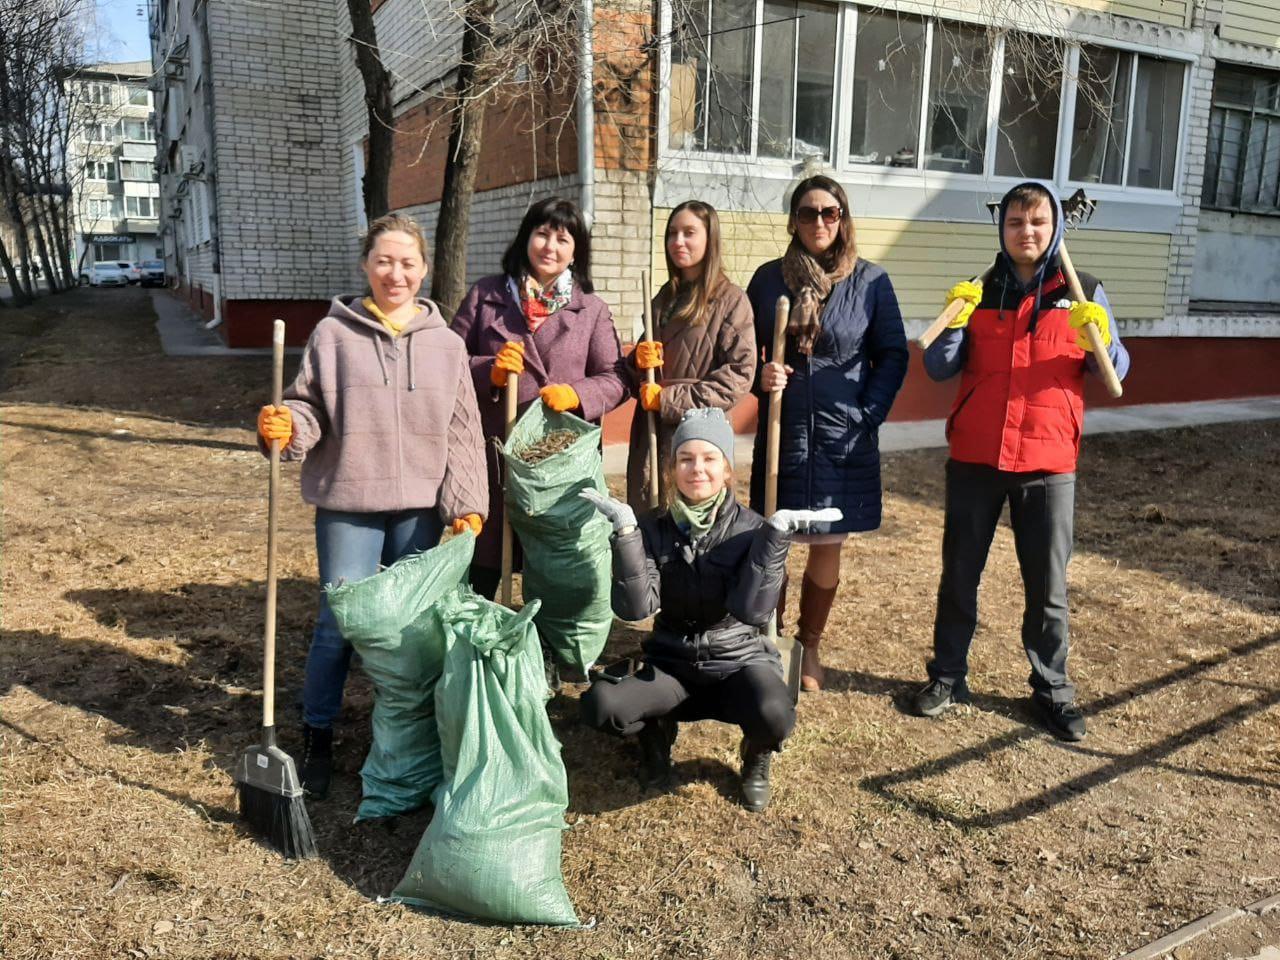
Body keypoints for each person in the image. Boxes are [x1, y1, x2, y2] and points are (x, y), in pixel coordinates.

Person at [255, 212, 487, 799]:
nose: (395, 273)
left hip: (419, 511)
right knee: (338, 625)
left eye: (408, 262)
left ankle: (403, 739)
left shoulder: (448, 345)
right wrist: (286, 426)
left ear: (425, 269)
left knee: (407, 630)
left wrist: (467, 504)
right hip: (350, 502)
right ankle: (317, 735)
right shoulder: (333, 338)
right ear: (365, 265)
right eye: (384, 260)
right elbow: (307, 408)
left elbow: (462, 430)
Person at [911, 180, 1131, 742]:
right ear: (1002, 228)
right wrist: (954, 323)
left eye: (1036, 222)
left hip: (1047, 460)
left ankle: (1052, 691)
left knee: (1047, 587)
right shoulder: (979, 291)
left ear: (1054, 226)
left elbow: (1117, 371)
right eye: (1015, 223)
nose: (1025, 232)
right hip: (977, 457)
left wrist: (1098, 334)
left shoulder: (1086, 292)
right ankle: (948, 676)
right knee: (959, 574)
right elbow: (938, 365)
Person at [579, 408, 837, 812]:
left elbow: (752, 611)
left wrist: (773, 542)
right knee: (602, 706)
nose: (696, 469)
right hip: (672, 665)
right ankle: (655, 738)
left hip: (736, 664)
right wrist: (627, 534)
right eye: (685, 459)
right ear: (672, 468)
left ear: (727, 468)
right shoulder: (652, 527)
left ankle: (756, 756)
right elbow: (635, 608)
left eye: (709, 458)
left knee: (776, 714)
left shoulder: (752, 528)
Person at [747, 174, 909, 692]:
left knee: (827, 541)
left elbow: (892, 355)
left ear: (843, 219)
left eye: (829, 213)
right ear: (793, 220)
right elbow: (746, 352)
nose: (819, 222)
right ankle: (767, 639)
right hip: (784, 429)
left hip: (844, 434)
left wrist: (868, 414)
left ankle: (810, 643)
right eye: (807, 213)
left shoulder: (871, 281)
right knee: (774, 537)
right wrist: (760, 377)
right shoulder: (770, 279)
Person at [450, 197, 627, 600]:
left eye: (562, 239)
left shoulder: (592, 310)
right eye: (542, 234)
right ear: (525, 237)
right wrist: (488, 371)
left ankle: (543, 655)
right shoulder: (486, 297)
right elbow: (448, 362)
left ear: (576, 251)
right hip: (493, 457)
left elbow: (615, 378)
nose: (550, 246)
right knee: (481, 570)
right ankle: (476, 650)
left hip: (556, 466)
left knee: (548, 574)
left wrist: (577, 395)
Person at [626, 200, 756, 509]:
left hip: (698, 431)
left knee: (692, 520)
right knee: (650, 520)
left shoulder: (730, 301)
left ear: (710, 239)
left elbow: (738, 375)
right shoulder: (663, 297)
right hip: (650, 431)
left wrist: (668, 400)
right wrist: (636, 362)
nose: (678, 242)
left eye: (689, 233)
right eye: (672, 233)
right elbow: (639, 378)